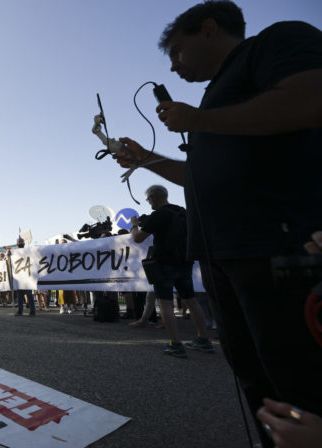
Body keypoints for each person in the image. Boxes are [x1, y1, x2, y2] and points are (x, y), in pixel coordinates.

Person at [107, 2, 322, 445]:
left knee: (297, 380)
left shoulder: (276, 41)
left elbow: (311, 97)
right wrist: (146, 160)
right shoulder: (212, 103)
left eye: (177, 51)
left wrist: (198, 120)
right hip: (224, 257)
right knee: (256, 377)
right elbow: (197, 176)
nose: (172, 65)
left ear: (208, 29)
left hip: (276, 248)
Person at [130, 185, 213, 358]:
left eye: (148, 199)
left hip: (163, 263)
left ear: (153, 197)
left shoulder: (159, 214)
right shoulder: (183, 211)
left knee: (165, 303)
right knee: (191, 300)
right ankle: (203, 339)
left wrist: (134, 225)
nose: (149, 202)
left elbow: (138, 238)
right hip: (185, 261)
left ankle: (175, 344)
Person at [12, 237, 35, 317]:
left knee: (29, 294)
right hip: (19, 276)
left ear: (24, 243)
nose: (20, 242)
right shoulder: (14, 252)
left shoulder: (28, 251)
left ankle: (32, 311)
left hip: (28, 275)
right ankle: (20, 311)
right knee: (20, 295)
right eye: (19, 241)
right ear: (17, 243)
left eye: (21, 241)